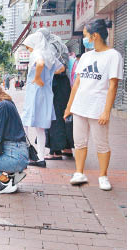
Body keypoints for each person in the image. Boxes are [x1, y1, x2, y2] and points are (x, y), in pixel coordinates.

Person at [64, 19, 123, 191]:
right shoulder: (86, 57)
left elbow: (113, 86)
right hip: (80, 107)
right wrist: (69, 107)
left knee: (101, 144)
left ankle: (103, 176)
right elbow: (77, 84)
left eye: (85, 36)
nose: (85, 39)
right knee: (79, 143)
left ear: (95, 36)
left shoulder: (113, 56)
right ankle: (79, 172)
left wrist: (106, 111)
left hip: (98, 108)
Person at [21, 32, 65, 168]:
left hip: (35, 92)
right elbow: (61, 68)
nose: (28, 50)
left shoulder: (37, 53)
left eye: (28, 47)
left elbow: (39, 63)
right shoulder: (49, 54)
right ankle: (40, 157)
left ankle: (26, 153)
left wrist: (38, 77)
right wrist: (48, 75)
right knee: (40, 128)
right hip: (46, 93)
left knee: (24, 123)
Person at [37, 28, 74, 160]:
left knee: (54, 116)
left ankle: (55, 151)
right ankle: (67, 148)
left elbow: (51, 64)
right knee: (63, 115)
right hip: (63, 84)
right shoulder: (60, 43)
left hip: (55, 83)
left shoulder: (49, 46)